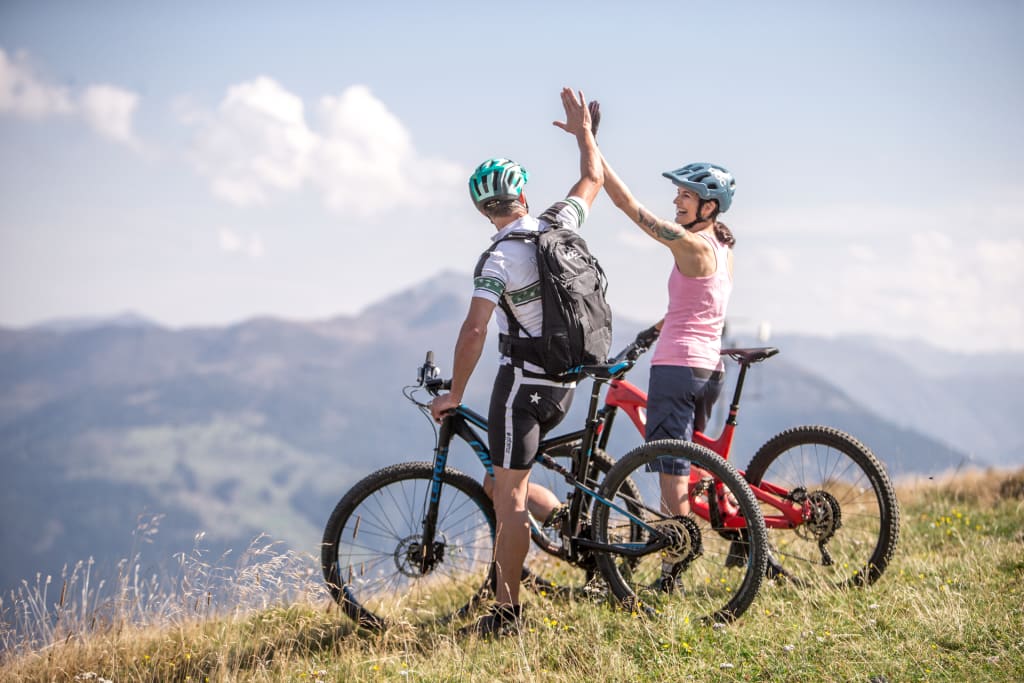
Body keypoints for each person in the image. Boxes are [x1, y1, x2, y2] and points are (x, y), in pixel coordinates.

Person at [429, 87, 603, 637]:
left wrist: (453, 394)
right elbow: (592, 181)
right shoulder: (559, 226)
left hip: (522, 386)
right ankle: (580, 538)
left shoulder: (498, 257)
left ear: (483, 208)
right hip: (564, 383)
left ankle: (507, 613)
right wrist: (585, 136)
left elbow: (476, 328)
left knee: (508, 500)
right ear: (523, 196)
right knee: (499, 479)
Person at [599, 152, 736, 592]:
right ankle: (732, 533)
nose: (677, 201)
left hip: (676, 368)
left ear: (708, 207)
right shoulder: (722, 246)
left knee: (671, 471)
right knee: (691, 464)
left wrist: (591, 148)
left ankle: (673, 568)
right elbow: (698, 305)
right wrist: (651, 331)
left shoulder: (690, 244)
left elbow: (627, 205)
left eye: (686, 195)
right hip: (707, 368)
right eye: (677, 194)